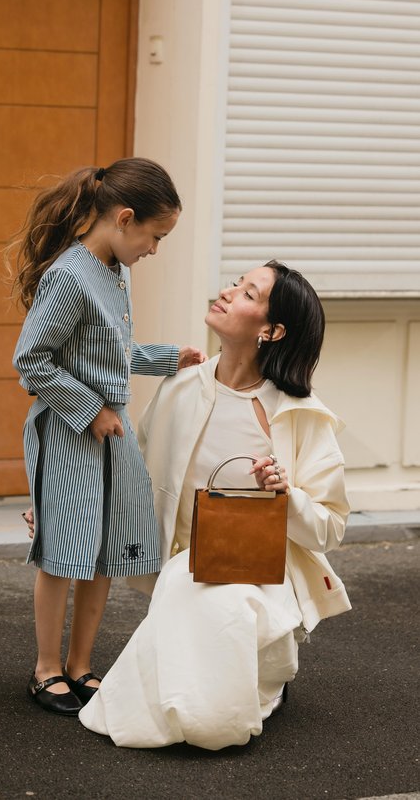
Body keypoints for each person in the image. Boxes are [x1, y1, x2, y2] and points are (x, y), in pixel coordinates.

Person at [78, 260, 352, 750]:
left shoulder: (299, 415)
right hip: (184, 571)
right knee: (187, 589)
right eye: (235, 283)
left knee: (210, 718)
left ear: (272, 330)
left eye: (248, 293)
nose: (227, 293)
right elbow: (131, 470)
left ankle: (264, 675)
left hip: (263, 579)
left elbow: (331, 528)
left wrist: (285, 497)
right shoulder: (182, 387)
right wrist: (59, 510)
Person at [11, 157, 206, 717]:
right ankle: (47, 668)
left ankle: (81, 666)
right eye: (155, 236)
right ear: (124, 218)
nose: (154, 249)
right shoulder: (71, 277)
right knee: (63, 554)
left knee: (99, 554)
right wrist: (91, 409)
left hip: (107, 435)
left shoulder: (113, 273)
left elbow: (107, 359)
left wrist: (171, 357)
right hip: (71, 434)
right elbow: (31, 360)